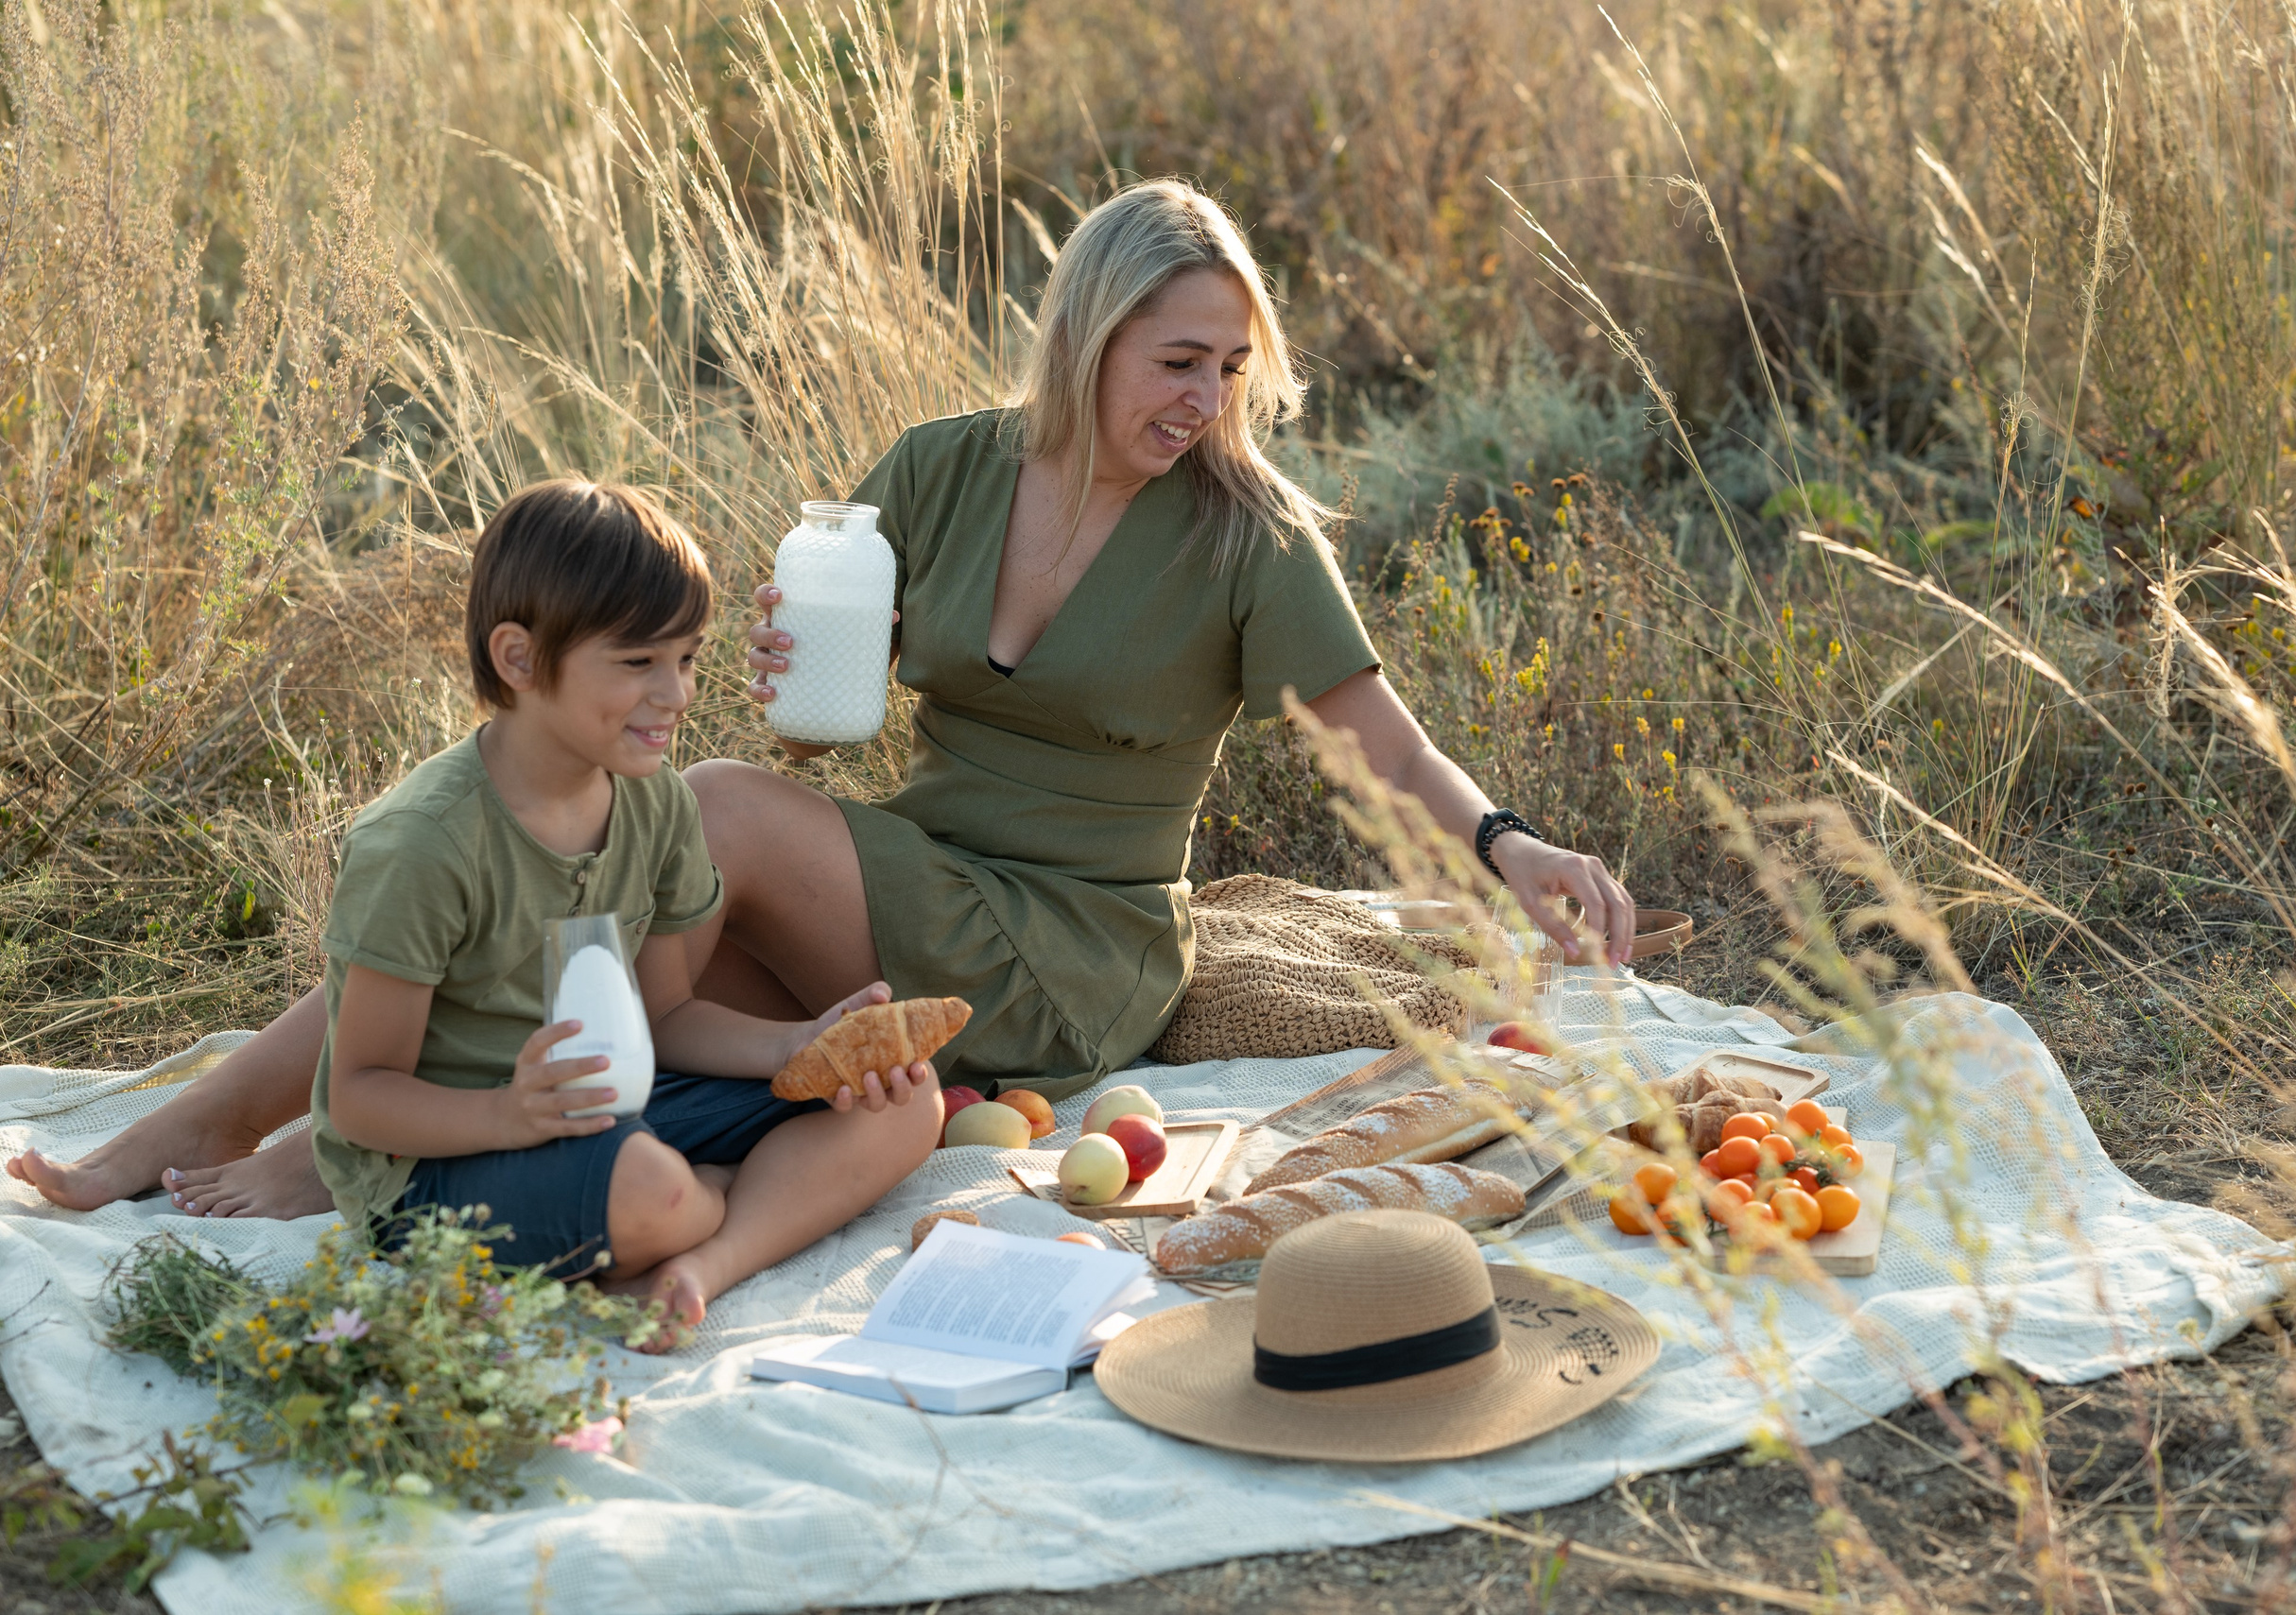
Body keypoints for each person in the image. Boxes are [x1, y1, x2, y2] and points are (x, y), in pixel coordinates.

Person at [9, 178, 1633, 1225]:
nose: (1204, 401)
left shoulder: (1245, 530)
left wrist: (1514, 845)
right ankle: (151, 1144)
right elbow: (822, 731)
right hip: (903, 873)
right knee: (557, 884)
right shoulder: (938, 468)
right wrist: (797, 684)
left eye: (1228, 367)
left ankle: (346, 1153)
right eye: (1175, 362)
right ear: (1088, 333)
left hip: (1077, 939)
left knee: (688, 816)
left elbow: (1379, 736)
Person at [302, 478, 936, 1342]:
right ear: (520, 660)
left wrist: (798, 1044)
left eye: (686, 658)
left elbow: (665, 1015)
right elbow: (359, 1099)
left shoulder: (657, 805)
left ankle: (697, 1264)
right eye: (638, 663)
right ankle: (701, 1200)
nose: (674, 695)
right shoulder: (422, 843)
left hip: (610, 1108)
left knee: (903, 1101)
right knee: (658, 1189)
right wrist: (506, 1116)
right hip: (437, 1162)